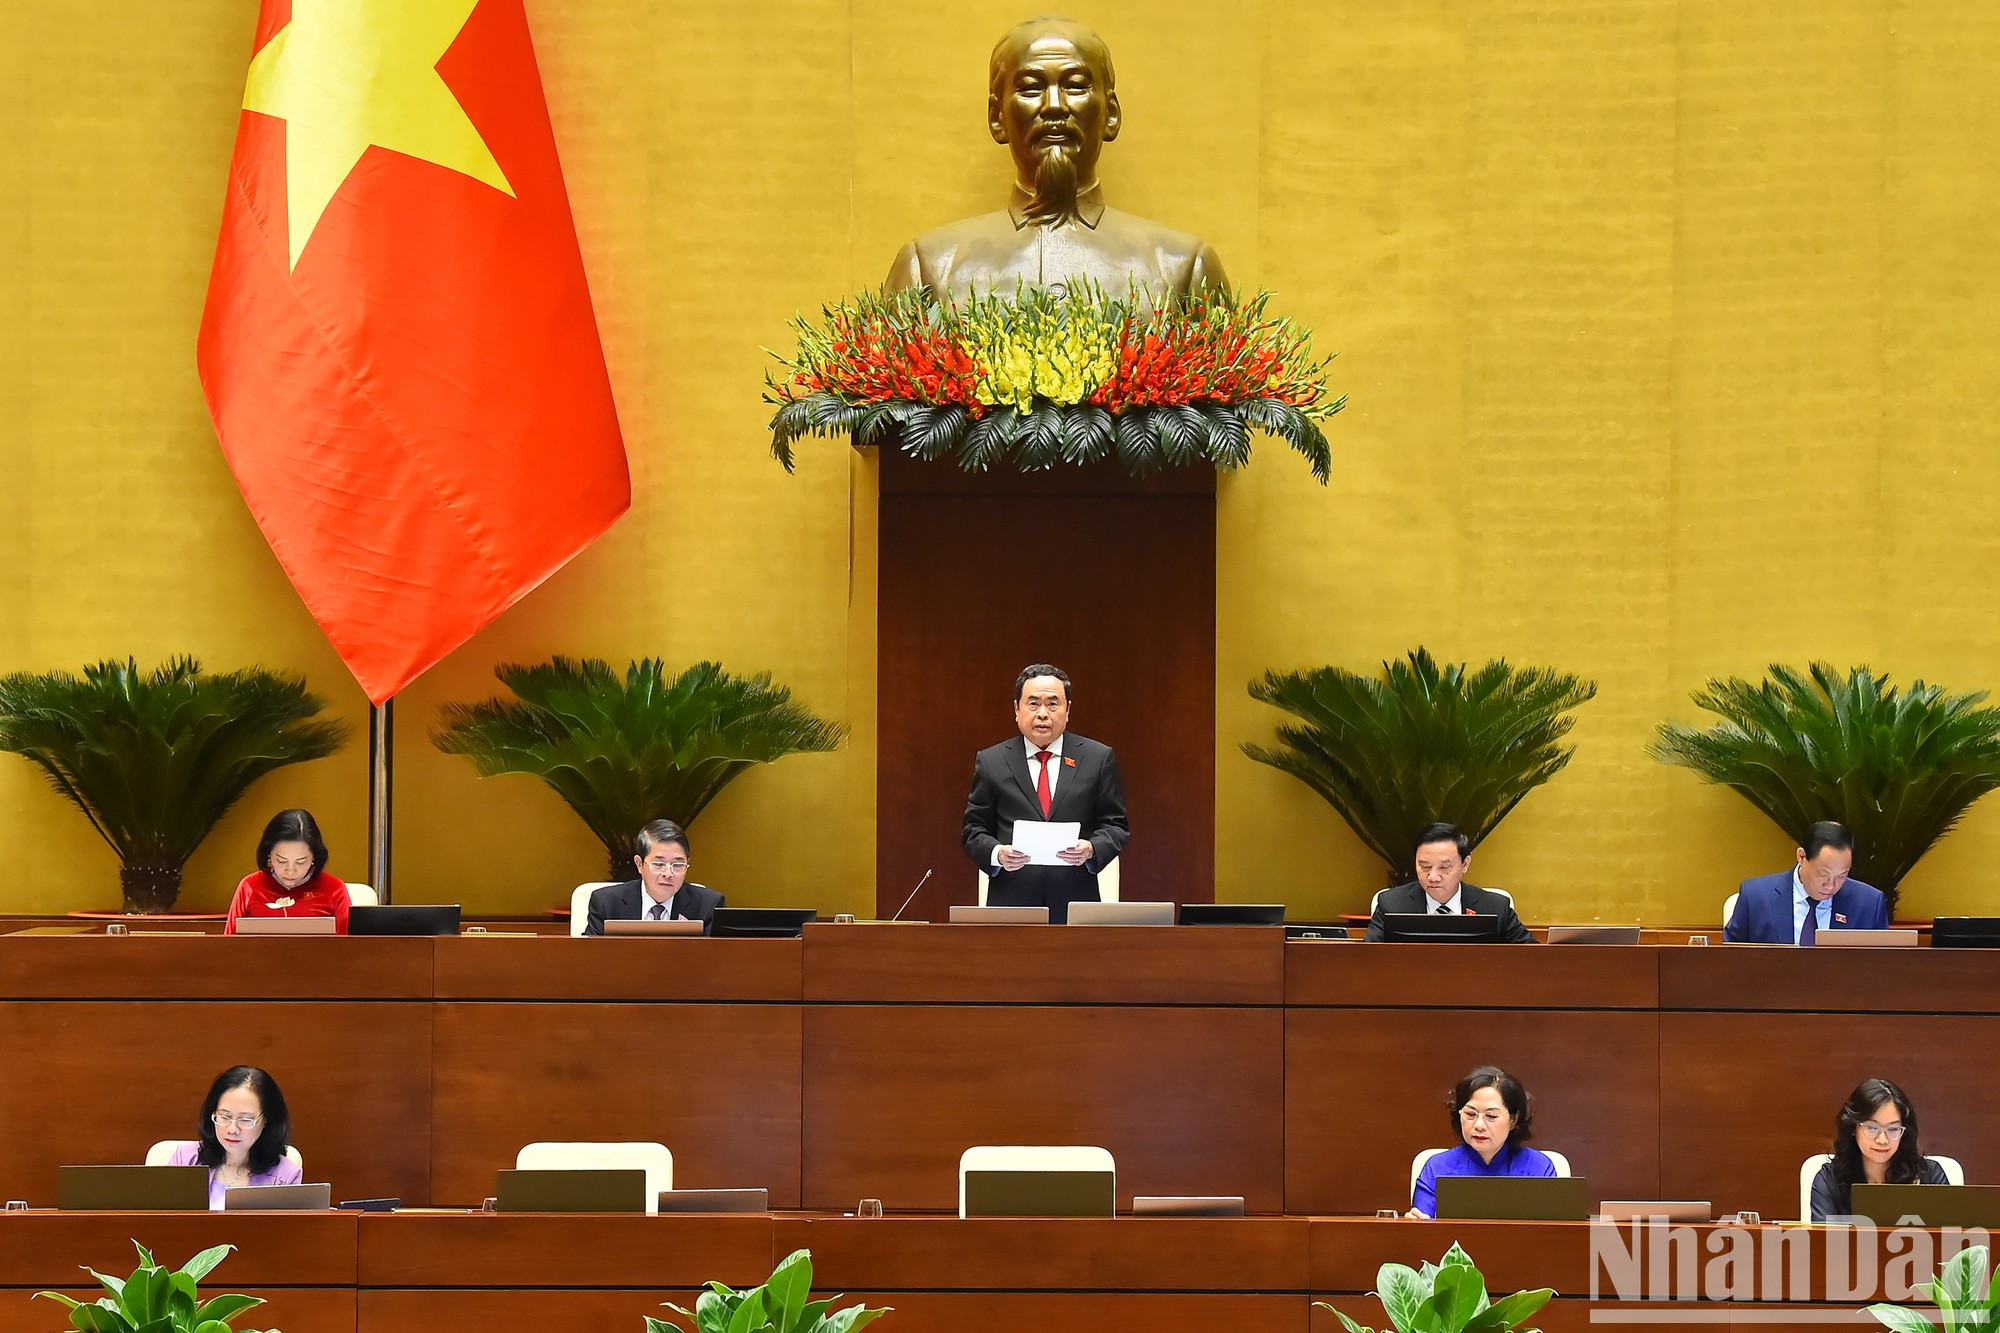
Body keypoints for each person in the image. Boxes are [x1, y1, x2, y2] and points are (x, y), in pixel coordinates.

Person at [886, 17, 1228, 306]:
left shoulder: (1181, 269)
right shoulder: (930, 269)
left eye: (1075, 85)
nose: (1053, 106)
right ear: (996, 117)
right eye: (1031, 88)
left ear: (1111, 114)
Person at [962, 664, 1129, 924]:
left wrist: (1091, 848)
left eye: (1052, 704)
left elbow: (1115, 825)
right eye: (1033, 704)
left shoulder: (1097, 758)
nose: (1042, 714)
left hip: (1075, 902)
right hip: (1011, 903)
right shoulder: (992, 761)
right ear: (1016, 709)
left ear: (1068, 710)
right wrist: (997, 853)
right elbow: (973, 830)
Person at [1409, 1065, 1559, 1218]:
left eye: (1491, 1116)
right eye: (1470, 1114)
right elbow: (1422, 1225)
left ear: (1513, 1120)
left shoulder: (1539, 1167)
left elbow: (1551, 1229)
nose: (1479, 1125)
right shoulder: (1437, 1167)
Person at [1808, 1078, 1951, 1222]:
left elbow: (1950, 1233)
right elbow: (1824, 1236)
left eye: (1893, 1129)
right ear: (1853, 1127)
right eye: (1872, 1128)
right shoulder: (1829, 1180)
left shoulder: (1930, 1176)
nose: (1882, 1140)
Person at [1725, 821, 1889, 944]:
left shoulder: (1869, 904)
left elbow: (1883, 968)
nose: (1831, 885)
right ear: (1802, 857)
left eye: (1841, 876)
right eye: (1823, 874)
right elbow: (1730, 960)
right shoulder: (1755, 897)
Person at [1364, 823, 1532, 943]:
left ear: (1465, 864)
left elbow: (1530, 957)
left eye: (1444, 867)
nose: (1433, 877)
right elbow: (1368, 959)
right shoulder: (1391, 904)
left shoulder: (1495, 907)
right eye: (1425, 866)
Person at [167, 1066, 303, 1210]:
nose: (232, 1129)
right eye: (224, 1116)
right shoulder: (185, 1159)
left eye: (245, 1120)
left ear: (266, 1121)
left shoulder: (285, 1176)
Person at [583, 819, 726, 935]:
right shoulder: (606, 903)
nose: (668, 874)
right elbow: (589, 955)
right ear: (639, 864)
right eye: (659, 864)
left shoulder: (708, 905)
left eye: (677, 865)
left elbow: (717, 958)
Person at [224, 809, 350, 934]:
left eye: (300, 862)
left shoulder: (334, 889)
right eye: (281, 861)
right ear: (269, 856)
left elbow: (349, 943)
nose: (290, 870)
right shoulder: (250, 887)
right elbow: (229, 942)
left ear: (314, 858)